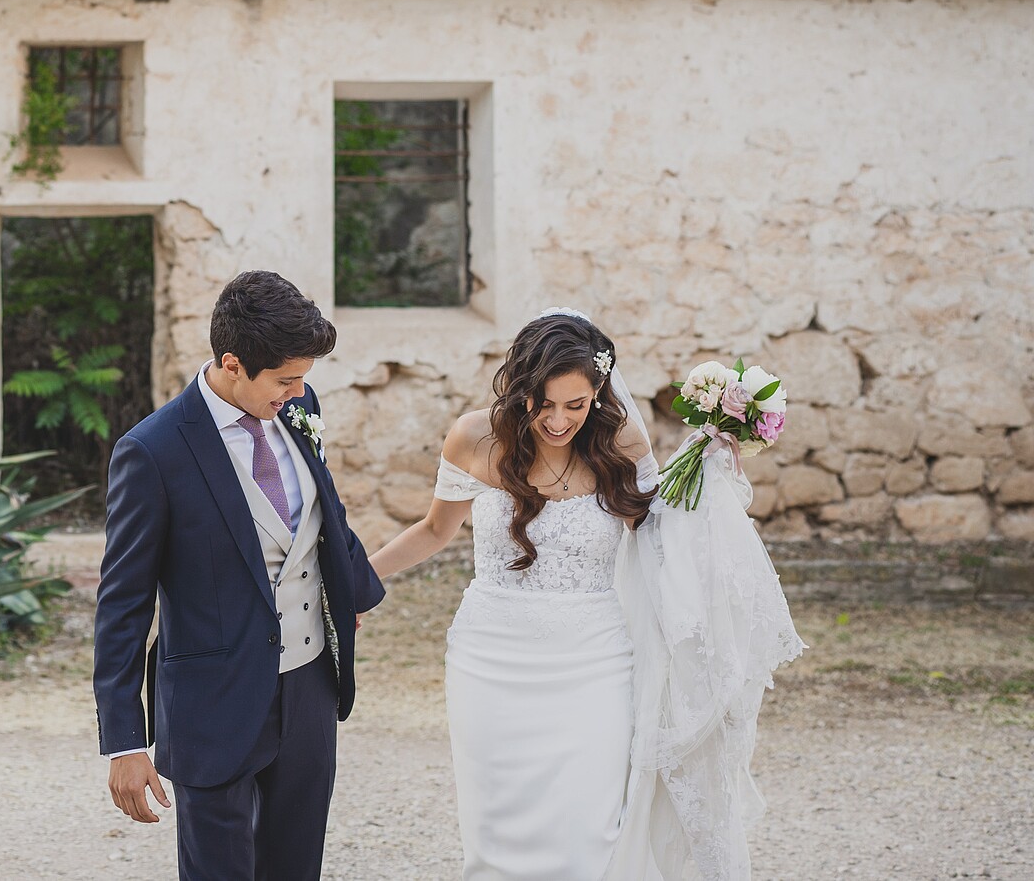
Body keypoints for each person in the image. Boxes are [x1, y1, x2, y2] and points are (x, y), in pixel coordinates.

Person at [370, 309, 802, 881]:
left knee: (587, 832)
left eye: (576, 405)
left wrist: (706, 461)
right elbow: (431, 532)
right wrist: (353, 587)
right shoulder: (475, 437)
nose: (558, 420)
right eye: (543, 403)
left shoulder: (620, 441)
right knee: (495, 834)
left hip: (593, 661)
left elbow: (661, 536)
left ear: (599, 392)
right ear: (520, 387)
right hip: (489, 659)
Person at [93, 270, 385, 881]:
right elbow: (123, 604)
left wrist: (351, 588)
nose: (298, 390)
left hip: (308, 689)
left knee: (295, 869)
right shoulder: (153, 451)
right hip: (211, 702)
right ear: (232, 363)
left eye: (302, 377)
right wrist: (124, 741)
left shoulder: (299, 407)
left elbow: (325, 510)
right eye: (284, 379)